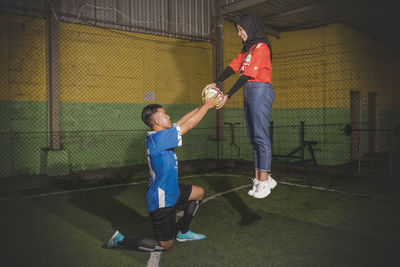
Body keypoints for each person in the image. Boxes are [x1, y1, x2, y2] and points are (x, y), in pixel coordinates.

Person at [106, 94, 220, 251]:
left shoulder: (159, 135)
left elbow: (182, 122)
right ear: (157, 121)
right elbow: (190, 125)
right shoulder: (160, 139)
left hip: (171, 189)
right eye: (165, 115)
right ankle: (120, 241)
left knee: (199, 193)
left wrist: (202, 105)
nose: (169, 117)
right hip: (161, 199)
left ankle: (183, 232)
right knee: (165, 246)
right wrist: (207, 106)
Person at [204, 13, 277, 199]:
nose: (239, 34)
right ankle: (257, 180)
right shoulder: (248, 49)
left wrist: (227, 94)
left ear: (250, 28)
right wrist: (216, 82)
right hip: (251, 91)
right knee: (253, 138)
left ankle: (265, 180)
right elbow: (233, 67)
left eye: (241, 30)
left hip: (260, 90)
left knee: (261, 136)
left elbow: (246, 76)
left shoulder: (261, 48)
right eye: (238, 30)